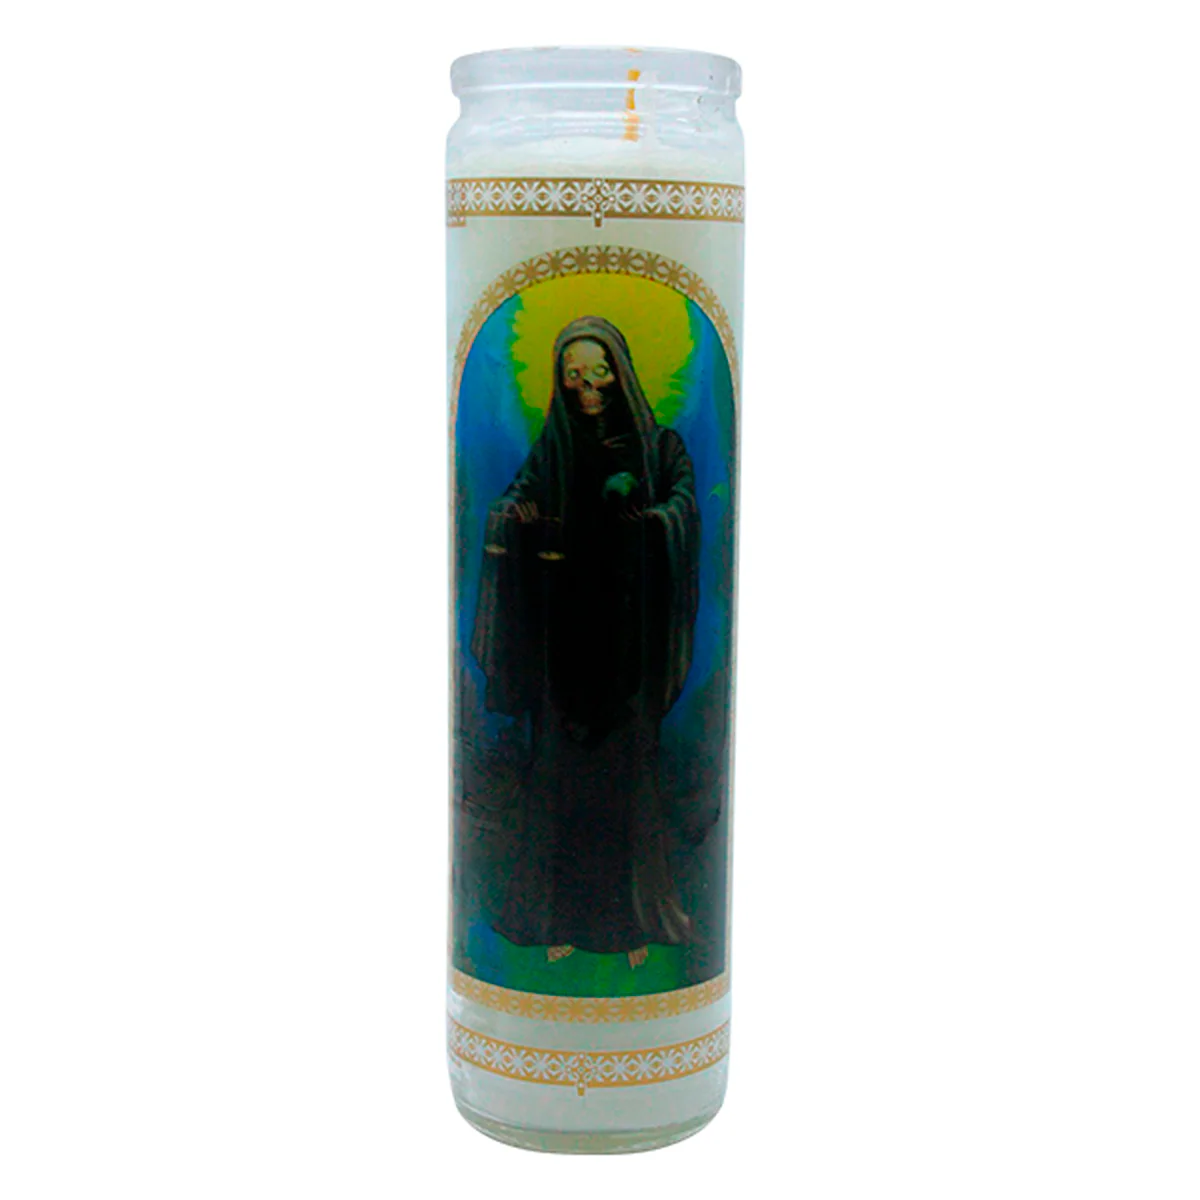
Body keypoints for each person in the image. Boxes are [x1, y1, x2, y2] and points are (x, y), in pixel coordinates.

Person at [471, 315, 700, 968]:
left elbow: (684, 510)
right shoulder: (555, 448)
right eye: (573, 375)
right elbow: (515, 499)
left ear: (620, 373)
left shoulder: (660, 448)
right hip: (563, 648)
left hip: (629, 646)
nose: (587, 386)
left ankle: (629, 925)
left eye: (598, 372)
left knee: (625, 783)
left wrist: (647, 520)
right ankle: (557, 919)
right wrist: (512, 515)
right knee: (560, 783)